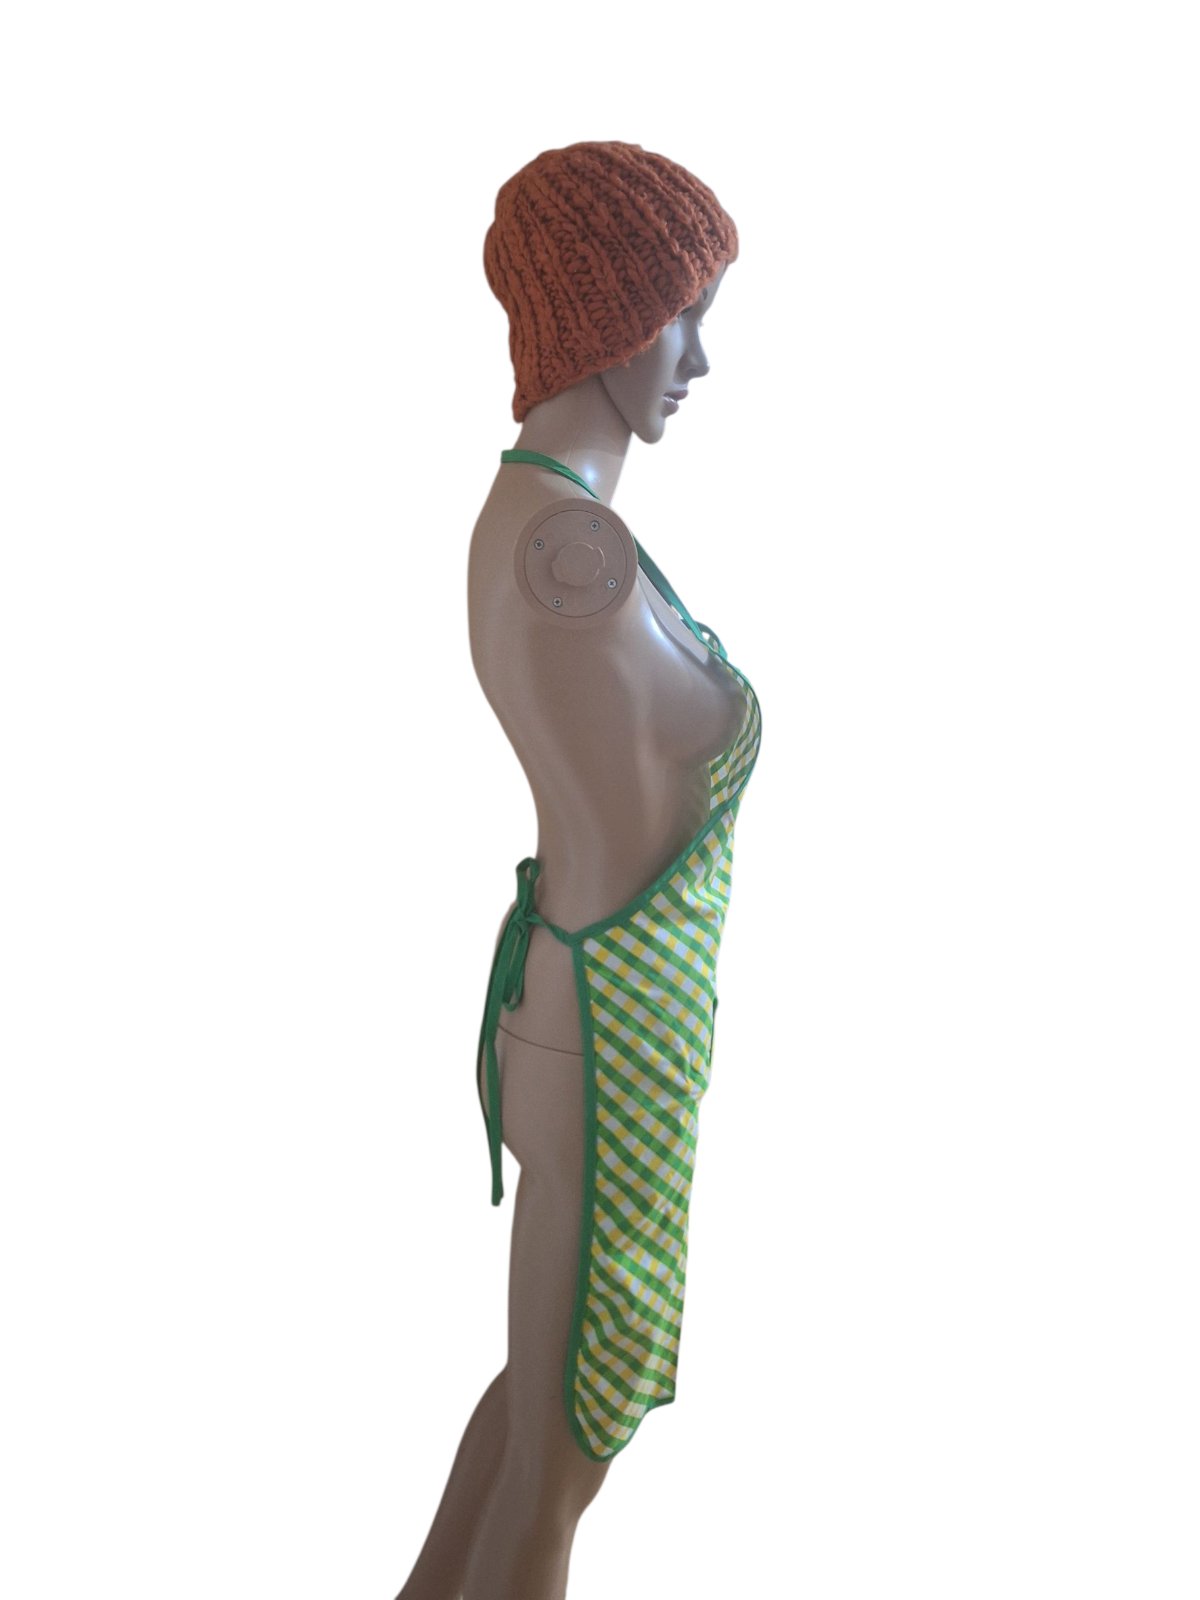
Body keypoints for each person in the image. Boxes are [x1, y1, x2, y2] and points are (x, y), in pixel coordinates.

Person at [396, 140, 762, 1600]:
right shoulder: (571, 557)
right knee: (562, 1461)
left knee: (536, 1414)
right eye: (684, 313)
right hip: (605, 1034)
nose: (700, 360)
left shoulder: (556, 524)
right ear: (611, 313)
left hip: (593, 1019)